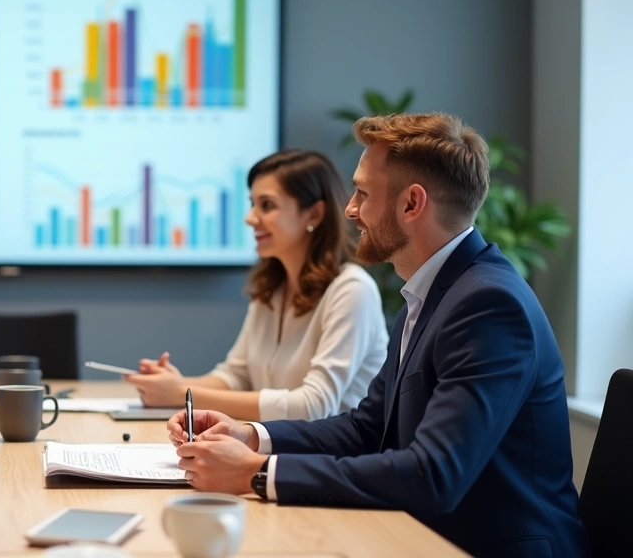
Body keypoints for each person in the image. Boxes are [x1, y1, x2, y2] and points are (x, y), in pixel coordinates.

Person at [168, 114, 587, 557]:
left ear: (411, 204)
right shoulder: (433, 292)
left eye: (363, 193)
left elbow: (433, 474)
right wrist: (251, 436)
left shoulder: (487, 305)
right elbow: (367, 428)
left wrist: (258, 473)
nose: (349, 209)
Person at [125, 150, 387, 422]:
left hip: (332, 461)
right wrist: (171, 385)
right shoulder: (272, 288)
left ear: (315, 214)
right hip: (280, 450)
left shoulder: (353, 290)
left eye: (267, 205)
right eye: (253, 204)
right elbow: (236, 376)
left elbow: (313, 406)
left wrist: (183, 394)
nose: (250, 218)